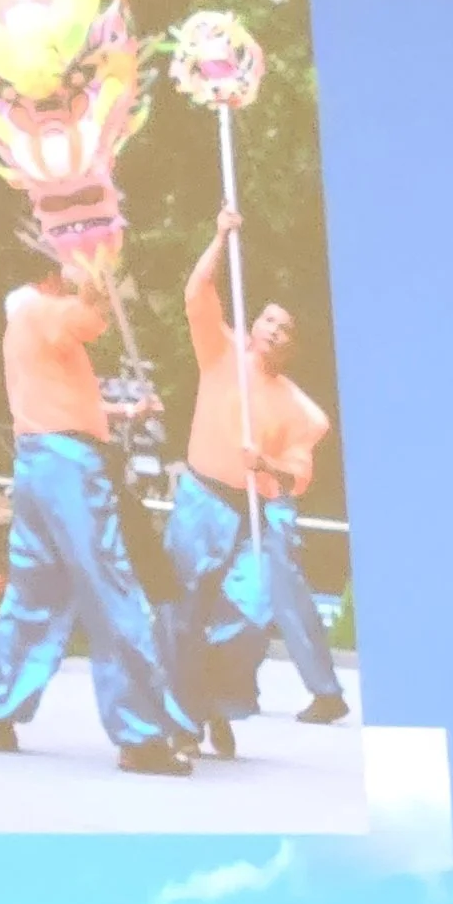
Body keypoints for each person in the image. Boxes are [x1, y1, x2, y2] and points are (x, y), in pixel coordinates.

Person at [0, 257, 194, 776]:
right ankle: (139, 735)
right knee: (109, 588)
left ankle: (0, 710)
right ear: (54, 278)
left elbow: (68, 398)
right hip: (71, 467)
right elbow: (91, 320)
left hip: (37, 461)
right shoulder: (45, 311)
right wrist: (99, 269)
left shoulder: (23, 324)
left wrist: (123, 413)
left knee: (33, 592)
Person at [162, 211, 349, 754]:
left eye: (283, 327)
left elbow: (296, 477)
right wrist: (219, 234)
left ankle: (214, 704)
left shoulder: (303, 411)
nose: (270, 328)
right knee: (181, 615)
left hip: (248, 514)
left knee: (246, 619)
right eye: (266, 319)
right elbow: (198, 290)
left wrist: (265, 465)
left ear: (293, 347)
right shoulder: (222, 352)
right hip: (199, 498)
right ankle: (181, 719)